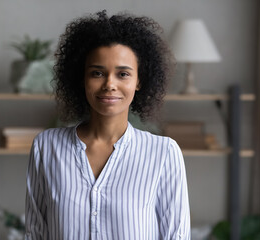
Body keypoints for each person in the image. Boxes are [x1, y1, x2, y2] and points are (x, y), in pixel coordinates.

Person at [25, 10, 190, 240]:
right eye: (97, 73)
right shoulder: (46, 147)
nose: (109, 84)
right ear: (81, 79)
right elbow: (35, 233)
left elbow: (176, 236)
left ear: (139, 81)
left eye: (123, 74)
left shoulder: (164, 153)